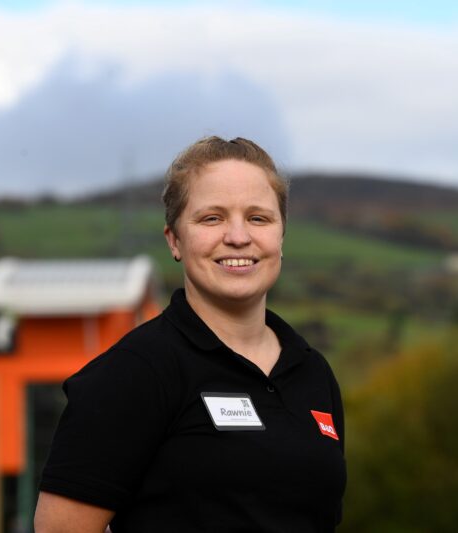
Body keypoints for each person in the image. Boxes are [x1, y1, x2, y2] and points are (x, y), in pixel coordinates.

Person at [34, 136, 346, 532]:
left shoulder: (313, 373)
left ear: (281, 236)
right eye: (212, 218)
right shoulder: (135, 372)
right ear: (175, 240)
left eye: (258, 218)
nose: (238, 236)